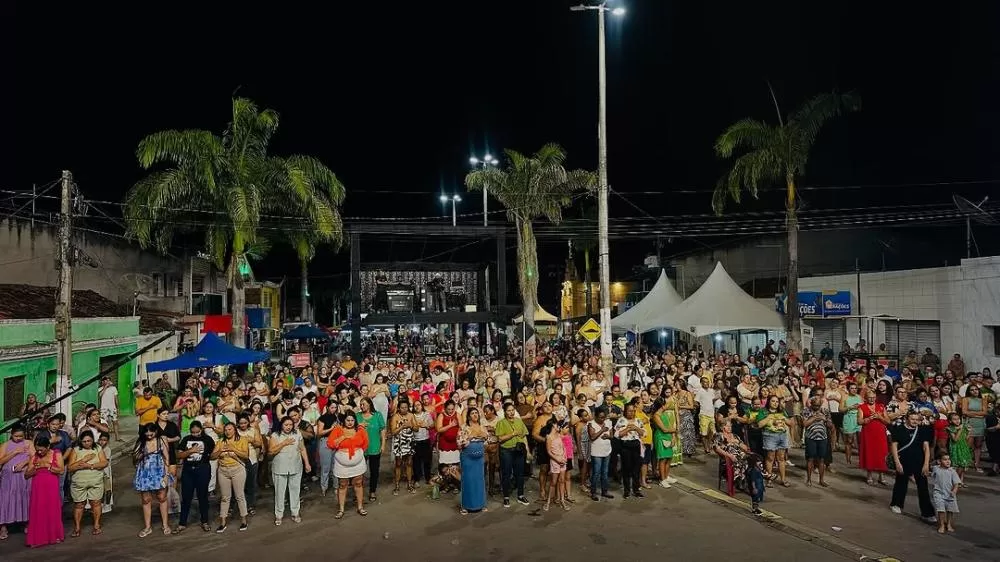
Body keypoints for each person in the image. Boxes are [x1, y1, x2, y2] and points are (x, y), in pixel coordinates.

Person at [889, 411, 936, 523]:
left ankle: (927, 513)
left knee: (923, 487)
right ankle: (896, 504)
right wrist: (897, 462)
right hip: (904, 460)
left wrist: (926, 464)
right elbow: (894, 447)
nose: (915, 421)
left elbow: (926, 448)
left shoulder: (922, 430)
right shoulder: (899, 429)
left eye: (917, 419)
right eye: (912, 419)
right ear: (907, 419)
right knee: (901, 483)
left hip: (919, 461)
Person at [173, 421, 214, 534]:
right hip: (188, 472)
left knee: (203, 497)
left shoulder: (208, 440)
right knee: (186, 498)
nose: (195, 434)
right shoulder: (186, 439)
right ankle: (182, 523)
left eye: (198, 432)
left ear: (201, 429)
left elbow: (213, 454)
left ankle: (204, 521)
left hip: (203, 470)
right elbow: (178, 455)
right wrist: (190, 451)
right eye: (193, 432)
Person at [25, 435, 65, 548]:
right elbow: (26, 475)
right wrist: (35, 469)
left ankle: (54, 535)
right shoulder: (35, 456)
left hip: (51, 486)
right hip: (38, 488)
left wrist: (47, 466)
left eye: (41, 449)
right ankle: (37, 538)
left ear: (48, 446)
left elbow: (61, 470)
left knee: (52, 509)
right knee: (38, 510)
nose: (39, 451)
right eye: (37, 449)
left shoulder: (56, 453)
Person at [269, 415, 311, 525]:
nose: (288, 427)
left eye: (290, 425)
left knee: (295, 491)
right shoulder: (275, 435)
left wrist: (307, 463)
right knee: (280, 492)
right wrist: (284, 443)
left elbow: (302, 449)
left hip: (295, 466)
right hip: (280, 468)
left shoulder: (297, 434)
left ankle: (295, 512)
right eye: (286, 425)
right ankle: (279, 515)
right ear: (281, 425)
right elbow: (271, 451)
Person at [65, 432, 108, 537]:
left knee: (96, 503)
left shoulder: (97, 448)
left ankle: (97, 525)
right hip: (79, 482)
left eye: (89, 441)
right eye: (84, 441)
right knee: (79, 504)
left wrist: (90, 465)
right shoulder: (76, 450)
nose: (86, 443)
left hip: (96, 481)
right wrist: (83, 461)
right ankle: (77, 528)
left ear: (92, 440)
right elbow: (70, 467)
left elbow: (104, 463)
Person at [133, 422, 171, 537]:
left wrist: (166, 474)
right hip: (144, 472)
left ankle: (165, 525)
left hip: (159, 472)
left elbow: (166, 458)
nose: (149, 435)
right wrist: (143, 453)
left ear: (155, 432)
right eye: (147, 433)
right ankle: (147, 527)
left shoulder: (161, 440)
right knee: (146, 500)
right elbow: (135, 458)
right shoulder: (141, 442)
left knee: (162, 497)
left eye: (151, 433)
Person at [328, 411, 368, 519]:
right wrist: (342, 437)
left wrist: (357, 454)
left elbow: (365, 444)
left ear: (355, 421)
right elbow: (330, 444)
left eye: (352, 420)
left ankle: (360, 507)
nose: (350, 423)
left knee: (359, 483)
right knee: (343, 484)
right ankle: (341, 509)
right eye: (347, 420)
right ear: (344, 420)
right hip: (342, 465)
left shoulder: (360, 430)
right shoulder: (338, 430)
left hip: (357, 463)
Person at [211, 422, 249, 533]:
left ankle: (244, 520)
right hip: (223, 470)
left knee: (239, 496)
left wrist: (233, 449)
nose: (228, 432)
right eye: (226, 430)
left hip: (237, 469)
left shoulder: (242, 440)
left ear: (235, 430)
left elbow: (246, 456)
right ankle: (223, 522)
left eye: (230, 429)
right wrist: (220, 451)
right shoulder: (220, 441)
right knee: (225, 497)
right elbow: (212, 457)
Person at [0, 425, 33, 541]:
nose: (19, 438)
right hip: (9, 477)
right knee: (6, 499)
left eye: (21, 436)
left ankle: (26, 523)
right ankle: (4, 526)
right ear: (11, 434)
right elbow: (1, 461)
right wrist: (14, 452)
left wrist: (24, 463)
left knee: (25, 498)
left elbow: (34, 458)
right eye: (16, 436)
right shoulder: (5, 445)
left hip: (24, 476)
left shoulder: (29, 443)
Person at [495, 402, 530, 508]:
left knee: (520, 473)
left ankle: (520, 495)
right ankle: (506, 496)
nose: (511, 412)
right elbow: (500, 438)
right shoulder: (501, 423)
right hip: (506, 450)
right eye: (509, 410)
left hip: (519, 450)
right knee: (506, 473)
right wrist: (512, 434)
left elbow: (524, 436)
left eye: (512, 410)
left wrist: (527, 450)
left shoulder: (519, 421)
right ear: (505, 412)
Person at [459, 407, 489, 514]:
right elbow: (460, 442)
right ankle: (465, 506)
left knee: (479, 480)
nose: (475, 415)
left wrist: (483, 435)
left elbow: (487, 439)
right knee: (468, 480)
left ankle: (481, 504)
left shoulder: (482, 426)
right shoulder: (464, 427)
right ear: (468, 416)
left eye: (476, 413)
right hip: (467, 457)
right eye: (472, 413)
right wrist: (471, 437)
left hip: (479, 457)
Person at [588, 408, 615, 501]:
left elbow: (612, 436)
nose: (602, 419)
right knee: (596, 473)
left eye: (604, 417)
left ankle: (605, 491)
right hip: (596, 452)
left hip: (607, 450)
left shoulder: (608, 422)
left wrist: (608, 436)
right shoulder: (591, 424)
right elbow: (592, 437)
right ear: (595, 416)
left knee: (605, 472)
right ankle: (593, 492)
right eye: (600, 417)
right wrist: (602, 430)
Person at [931, 454, 961, 534]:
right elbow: (931, 473)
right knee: (941, 509)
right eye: (945, 459)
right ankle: (941, 525)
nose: (948, 461)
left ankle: (949, 524)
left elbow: (956, 483)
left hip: (949, 494)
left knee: (950, 510)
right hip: (938, 493)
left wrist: (954, 491)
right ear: (939, 461)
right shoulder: (936, 469)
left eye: (949, 459)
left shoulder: (952, 471)